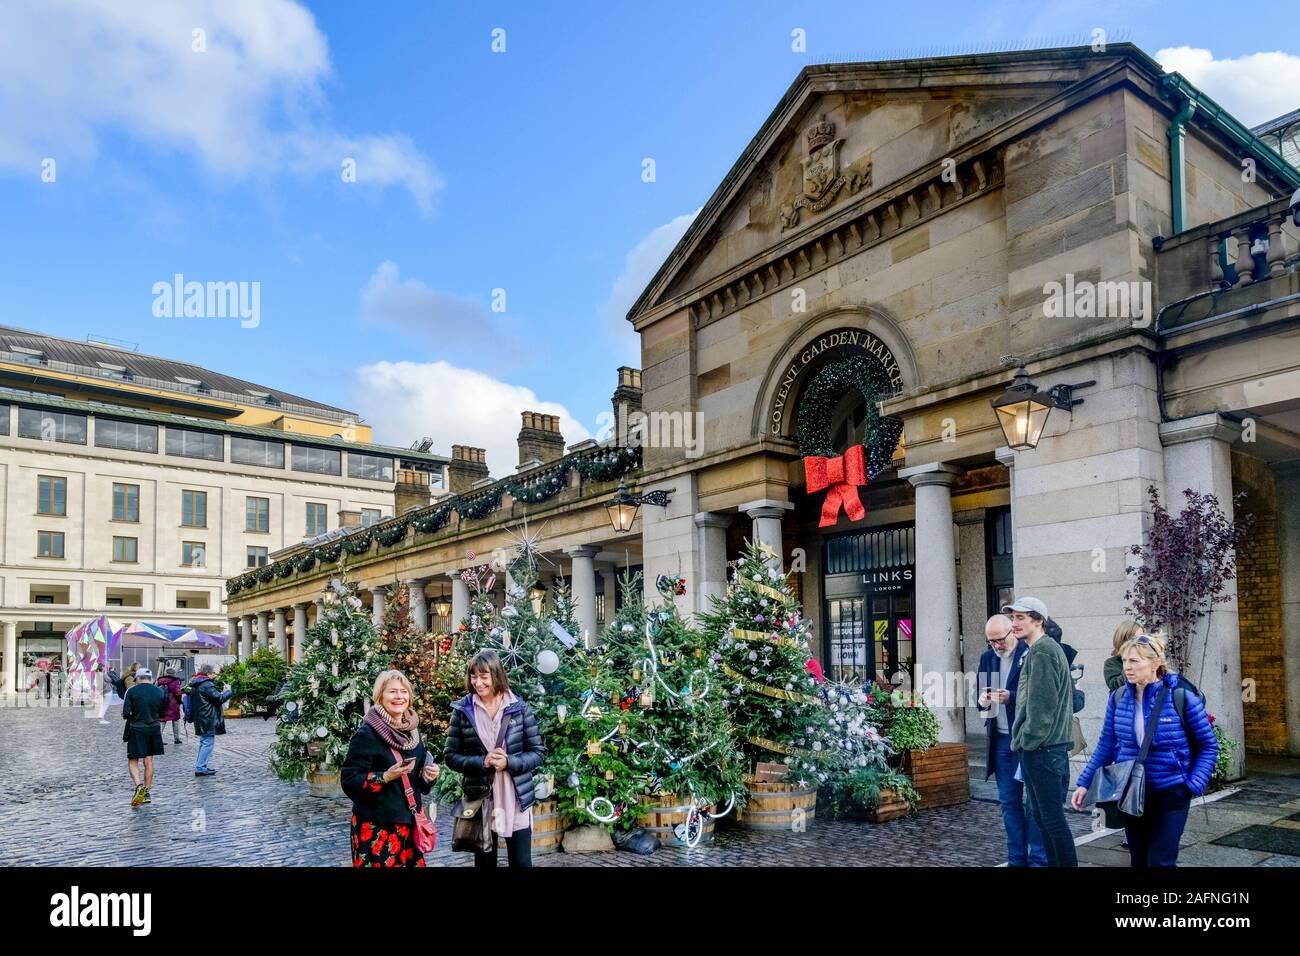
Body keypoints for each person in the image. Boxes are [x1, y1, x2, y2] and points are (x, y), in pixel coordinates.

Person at [1072, 634, 1218, 866]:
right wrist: (1084, 783)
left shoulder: (1181, 697)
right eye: (1124, 661)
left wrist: (1191, 785)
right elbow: (1106, 745)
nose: (1127, 667)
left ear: (1155, 663)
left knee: (1160, 861)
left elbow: (1208, 746)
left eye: (1134, 661)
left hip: (1171, 793)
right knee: (1138, 858)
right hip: (1131, 792)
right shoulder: (1118, 698)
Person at [443, 649, 546, 868]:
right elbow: (450, 756)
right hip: (483, 799)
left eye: (483, 676)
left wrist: (509, 762)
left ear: (496, 675)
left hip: (515, 798)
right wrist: (482, 761)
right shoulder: (463, 710)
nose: (478, 683)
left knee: (521, 863)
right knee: (485, 862)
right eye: (473, 676)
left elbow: (538, 752)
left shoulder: (518, 707)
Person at [340, 670, 441, 867]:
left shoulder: (413, 733)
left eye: (404, 691)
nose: (399, 697)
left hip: (409, 826)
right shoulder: (367, 734)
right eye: (392, 692)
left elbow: (417, 782)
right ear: (380, 696)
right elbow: (349, 780)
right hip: (377, 829)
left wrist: (429, 776)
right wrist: (385, 776)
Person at [1005, 597, 1078, 867]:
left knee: (1052, 821)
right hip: (1044, 749)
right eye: (1013, 618)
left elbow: (1041, 706)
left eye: (1021, 617)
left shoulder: (1043, 650)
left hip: (1043, 750)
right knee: (1044, 819)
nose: (1014, 623)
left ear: (1039, 620)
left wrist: (1027, 742)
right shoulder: (1039, 649)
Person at [976, 613, 1047, 866]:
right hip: (1002, 741)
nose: (997, 645)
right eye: (991, 641)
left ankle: (1038, 859)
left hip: (1028, 741)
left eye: (1000, 639)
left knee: (1034, 803)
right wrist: (983, 701)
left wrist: (1011, 696)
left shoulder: (1030, 654)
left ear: (1012, 632)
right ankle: (1016, 859)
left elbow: (1040, 696)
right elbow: (980, 700)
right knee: (1009, 802)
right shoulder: (987, 658)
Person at [121, 668, 167, 807]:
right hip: (153, 728)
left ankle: (139, 786)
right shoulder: (160, 692)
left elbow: (126, 713)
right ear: (150, 678)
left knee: (133, 760)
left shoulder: (132, 691)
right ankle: (146, 792)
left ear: (138, 678)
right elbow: (163, 712)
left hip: (136, 728)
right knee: (149, 760)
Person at [186, 662, 232, 777]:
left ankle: (201, 766)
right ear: (208, 673)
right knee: (207, 743)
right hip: (207, 718)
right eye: (213, 673)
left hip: (201, 717)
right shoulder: (206, 685)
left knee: (204, 742)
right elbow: (219, 698)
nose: (215, 675)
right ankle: (200, 768)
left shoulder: (196, 683)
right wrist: (229, 691)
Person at [1104, 621, 1140, 692]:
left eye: (1141, 638)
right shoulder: (1111, 663)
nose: (1138, 642)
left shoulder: (1146, 661)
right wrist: (1130, 661)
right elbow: (1115, 686)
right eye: (1134, 639)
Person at [156, 667, 185, 744]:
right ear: (174, 674)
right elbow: (178, 693)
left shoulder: (159, 680)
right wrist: (180, 701)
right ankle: (177, 739)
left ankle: (158, 739)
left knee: (162, 721)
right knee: (175, 721)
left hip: (162, 704)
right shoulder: (175, 681)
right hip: (173, 704)